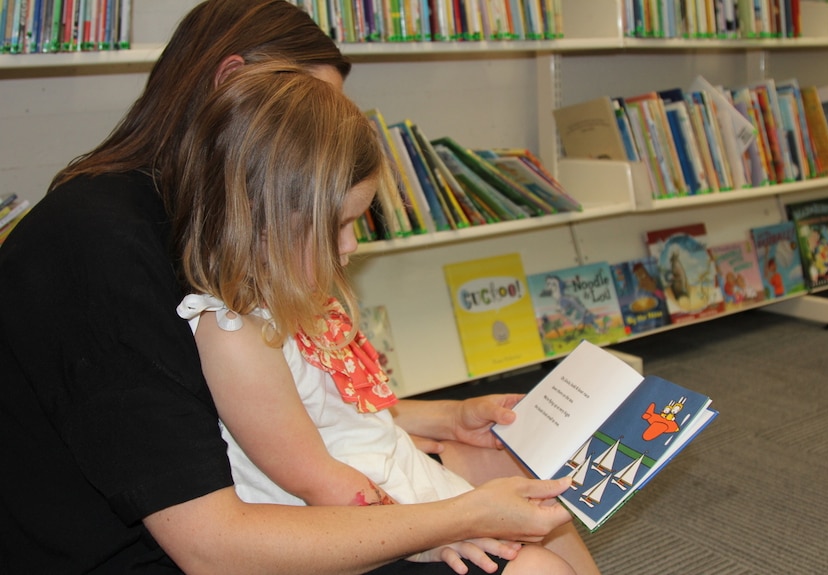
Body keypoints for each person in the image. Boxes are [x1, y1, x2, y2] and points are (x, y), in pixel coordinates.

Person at [0, 1, 599, 574]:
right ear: (232, 86)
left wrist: (446, 419)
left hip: (269, 503)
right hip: (184, 547)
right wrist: (447, 520)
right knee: (532, 562)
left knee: (526, 493)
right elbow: (213, 543)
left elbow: (262, 408)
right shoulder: (102, 241)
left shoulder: (225, 237)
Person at [171, 61, 592, 575]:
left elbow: (350, 417)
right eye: (336, 226)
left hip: (392, 491)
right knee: (538, 569)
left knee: (544, 514)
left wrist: (448, 439)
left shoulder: (295, 297)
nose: (349, 247)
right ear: (259, 216)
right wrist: (439, 532)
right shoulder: (236, 337)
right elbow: (320, 482)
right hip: (346, 533)